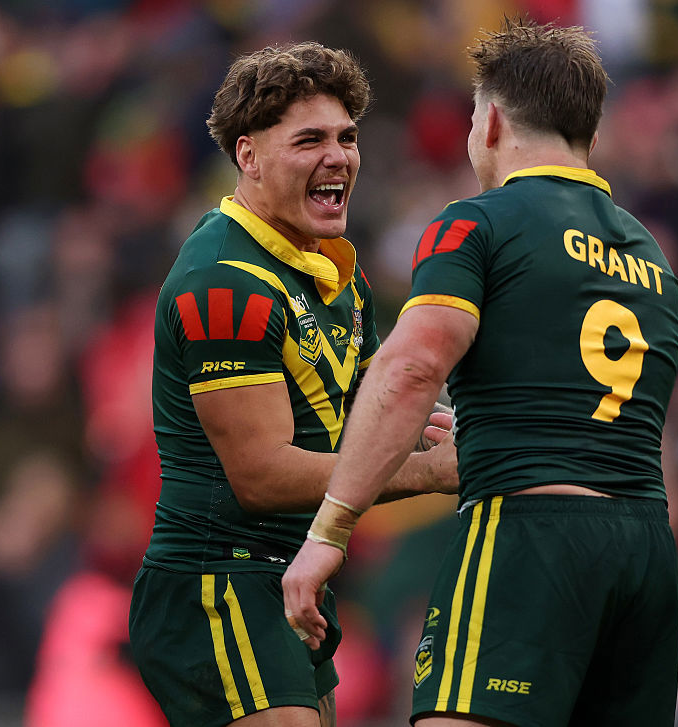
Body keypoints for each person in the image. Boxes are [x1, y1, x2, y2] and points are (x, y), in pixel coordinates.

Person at [283, 17, 678, 727]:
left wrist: (329, 531)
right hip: (645, 549)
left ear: (492, 122)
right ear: (587, 133)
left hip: (530, 532)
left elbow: (411, 368)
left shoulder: (478, 223)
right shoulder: (652, 258)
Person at [128, 42, 457, 727]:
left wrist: (446, 423)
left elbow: (378, 407)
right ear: (248, 156)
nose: (338, 156)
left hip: (292, 572)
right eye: (310, 139)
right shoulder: (225, 281)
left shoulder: (334, 268)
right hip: (217, 582)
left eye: (347, 137)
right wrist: (427, 472)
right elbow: (263, 475)